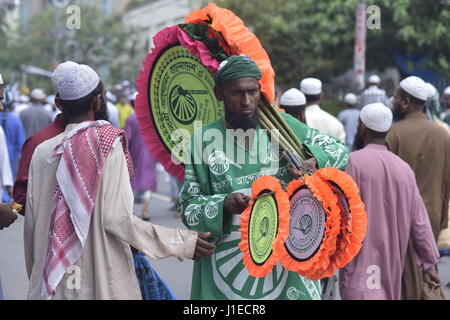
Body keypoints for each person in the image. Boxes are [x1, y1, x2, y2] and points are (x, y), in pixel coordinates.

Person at [23, 62, 214, 300]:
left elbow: (31, 227)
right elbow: (118, 219)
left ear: (59, 104)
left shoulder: (43, 152)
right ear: (98, 101)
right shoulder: (107, 144)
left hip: (53, 280)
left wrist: (38, 276)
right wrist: (180, 242)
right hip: (99, 282)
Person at [177, 55, 350, 300]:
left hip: (285, 260)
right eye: (237, 93)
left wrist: (314, 160)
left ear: (261, 92)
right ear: (219, 93)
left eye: (252, 92)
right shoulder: (202, 140)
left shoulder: (282, 126)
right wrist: (223, 203)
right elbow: (189, 208)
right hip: (228, 272)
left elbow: (340, 151)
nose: (246, 101)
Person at [340, 102, 440, 299]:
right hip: (390, 276)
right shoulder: (404, 170)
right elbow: (420, 223)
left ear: (362, 128)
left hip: (356, 276)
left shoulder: (350, 164)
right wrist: (429, 264)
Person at [386, 75, 450, 300]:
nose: (392, 102)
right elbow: (446, 182)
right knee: (425, 272)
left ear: (405, 102)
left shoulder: (393, 134)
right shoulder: (442, 134)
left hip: (398, 216)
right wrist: (441, 218)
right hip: (432, 214)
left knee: (406, 277)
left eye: (394, 98)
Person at [124, 92, 157, 221]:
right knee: (147, 180)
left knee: (132, 180)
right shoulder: (150, 118)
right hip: (150, 154)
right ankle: (146, 210)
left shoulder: (131, 119)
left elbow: (128, 138)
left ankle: (131, 211)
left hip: (135, 154)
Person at [300, 77, 346, 142]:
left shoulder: (296, 121)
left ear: (301, 96)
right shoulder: (336, 123)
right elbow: (342, 150)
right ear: (321, 96)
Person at [0, 89, 26, 202]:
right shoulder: (15, 120)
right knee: (8, 175)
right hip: (12, 153)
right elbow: (21, 142)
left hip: (7, 151)